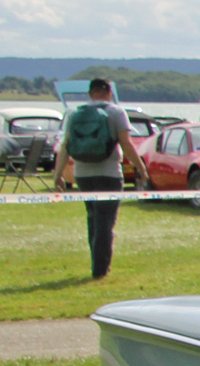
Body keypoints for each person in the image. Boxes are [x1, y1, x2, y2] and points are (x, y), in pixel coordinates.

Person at [53, 78, 151, 280]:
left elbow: (65, 146)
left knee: (93, 220)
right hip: (109, 173)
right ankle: (100, 269)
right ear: (109, 93)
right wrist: (140, 167)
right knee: (105, 223)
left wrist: (58, 175)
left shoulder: (74, 114)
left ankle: (96, 263)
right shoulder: (116, 112)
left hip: (82, 174)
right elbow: (127, 144)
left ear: (90, 93)